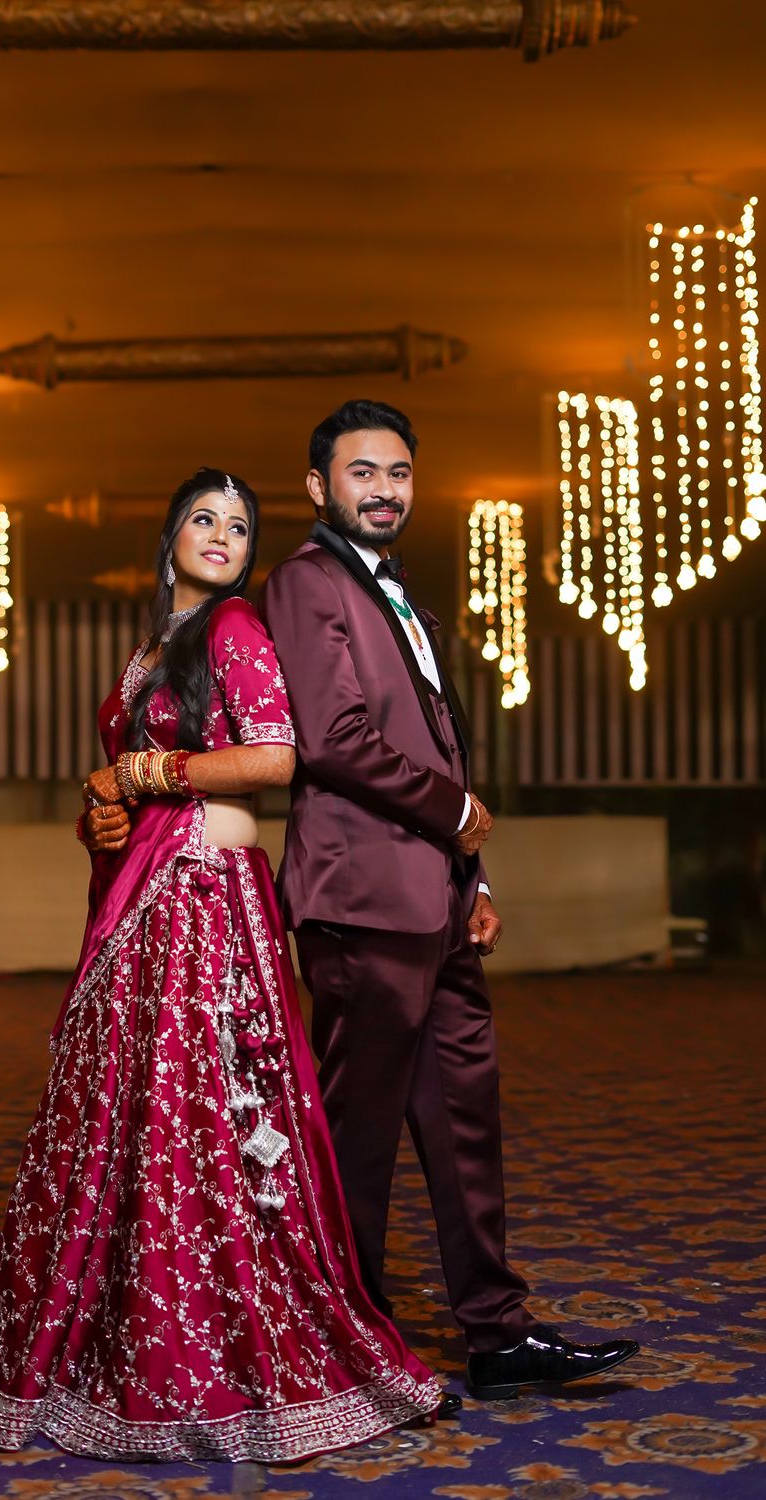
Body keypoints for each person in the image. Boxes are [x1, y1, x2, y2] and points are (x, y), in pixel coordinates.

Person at [0, 466, 457, 1464]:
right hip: (148, 895)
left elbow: (275, 755)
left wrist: (141, 774)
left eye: (239, 525)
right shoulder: (154, 650)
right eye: (203, 518)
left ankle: (228, 1346)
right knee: (133, 1118)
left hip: (201, 897)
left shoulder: (233, 630)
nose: (223, 536)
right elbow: (122, 782)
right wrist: (102, 811)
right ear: (170, 534)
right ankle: (120, 1338)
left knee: (209, 1117)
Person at [260, 402, 640, 1401]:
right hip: (361, 898)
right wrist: (460, 811)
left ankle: (498, 1333)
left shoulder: (403, 600)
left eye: (398, 474)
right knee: (361, 1134)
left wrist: (473, 876)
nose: (382, 490)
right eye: (360, 473)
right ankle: (343, 1347)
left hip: (436, 901)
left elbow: (432, 741)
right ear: (318, 488)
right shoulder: (305, 582)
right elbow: (335, 738)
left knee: (467, 1122)